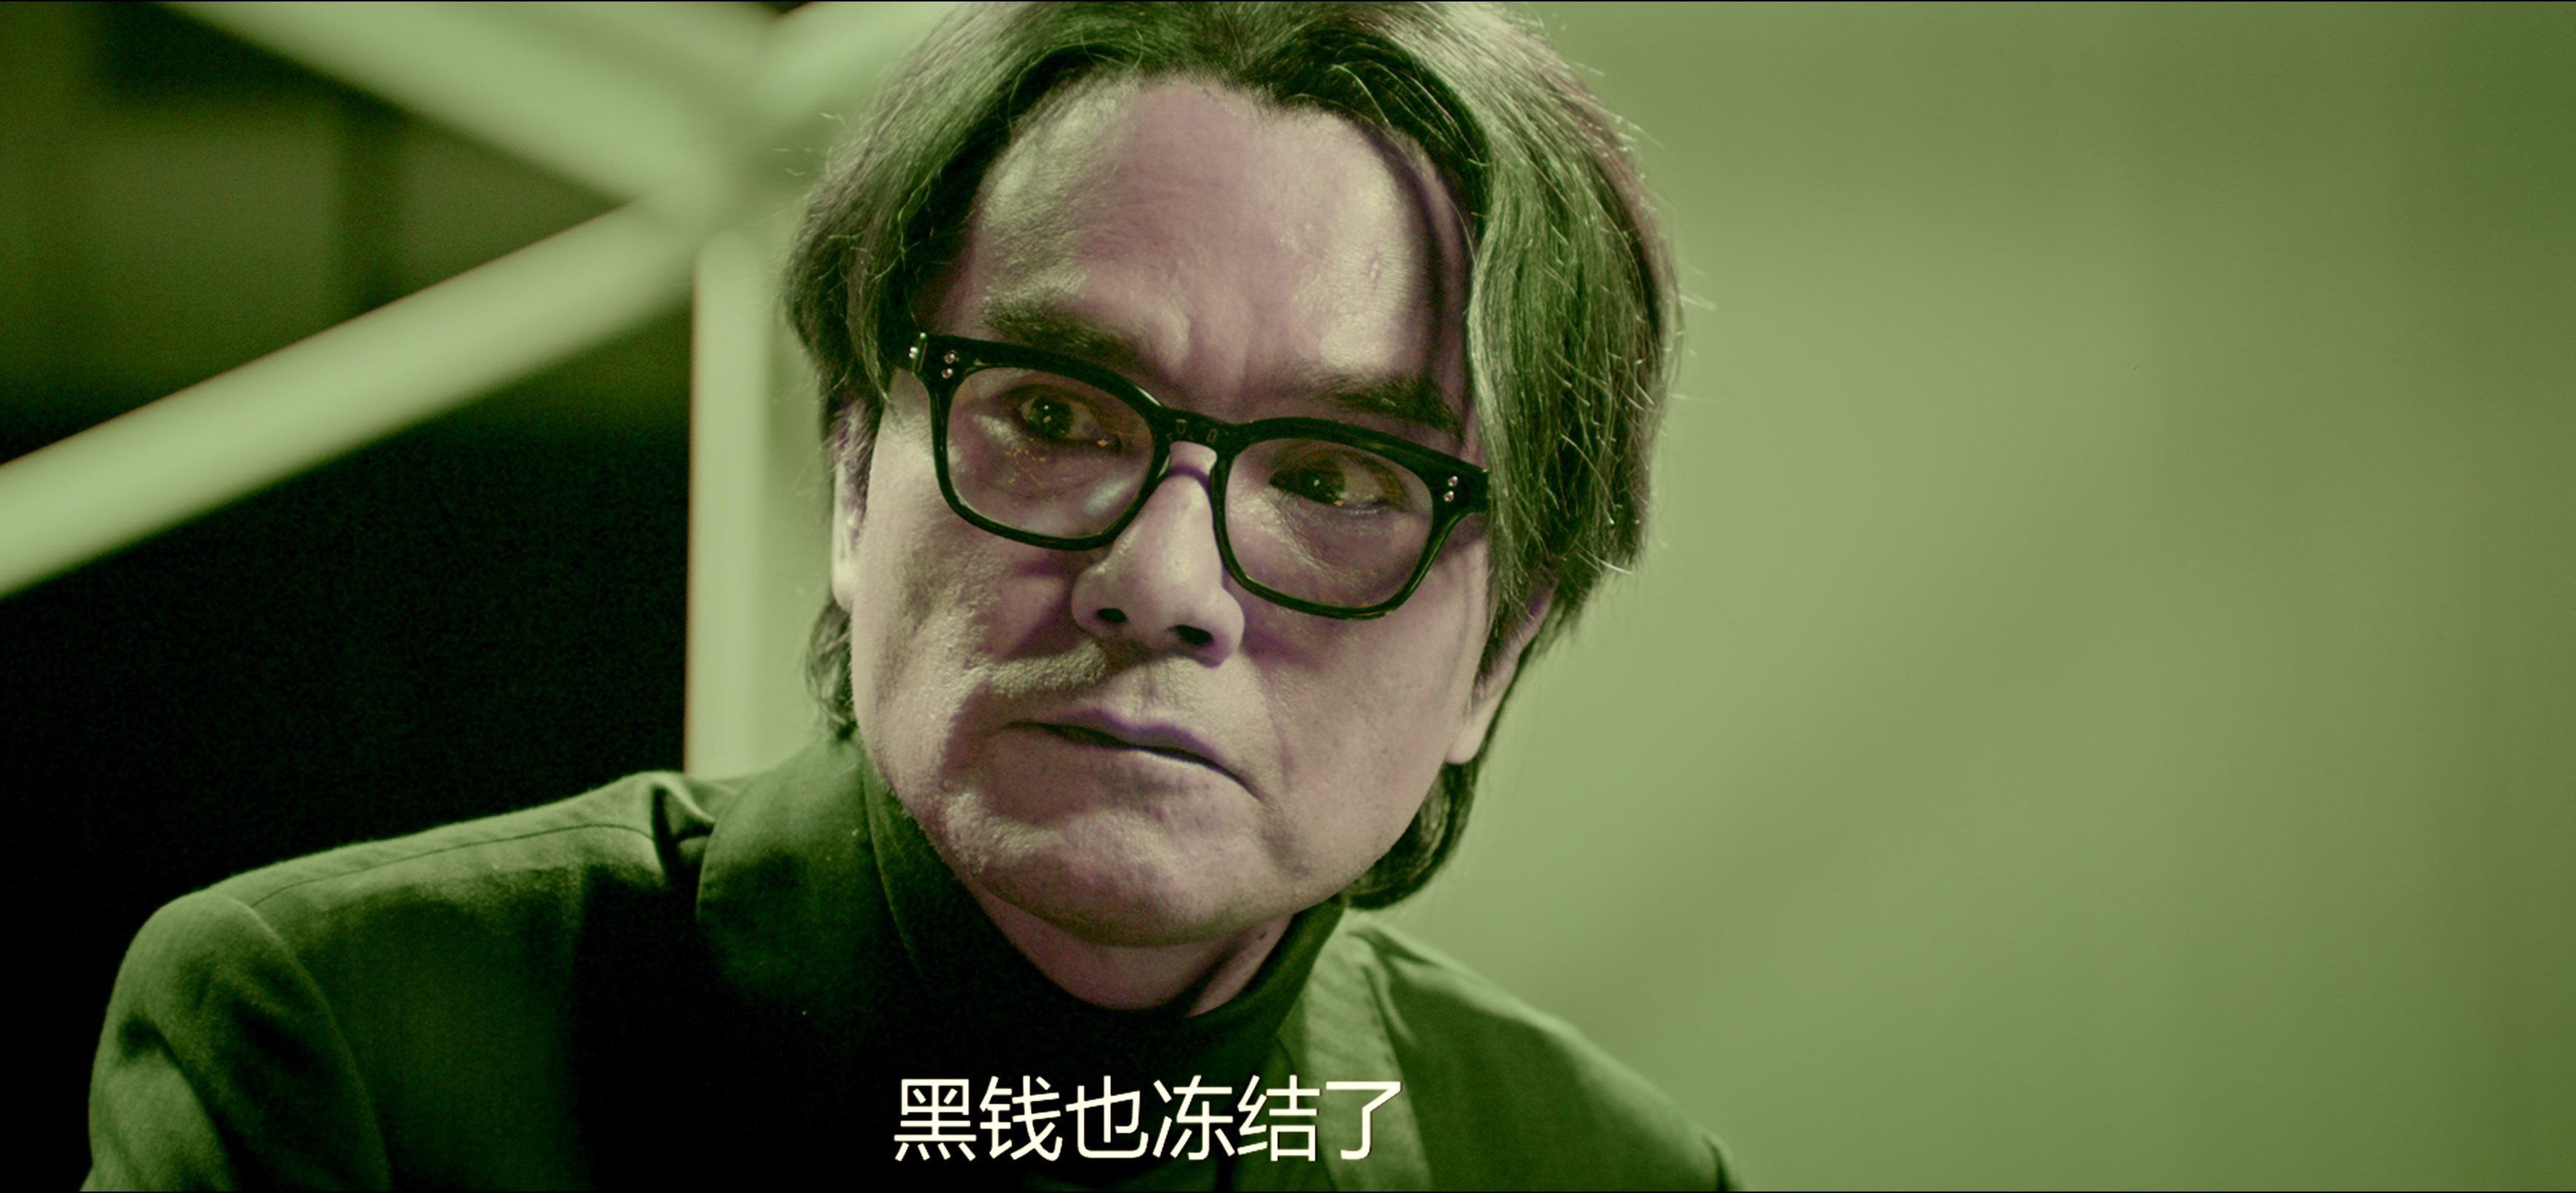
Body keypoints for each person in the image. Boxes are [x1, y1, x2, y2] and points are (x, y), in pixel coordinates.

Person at [85, 3, 1730, 1187]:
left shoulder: (1594, 1168)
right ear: (858, 480)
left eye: (1334, 482)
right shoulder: (353, 1041)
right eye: (1055, 417)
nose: (1161, 582)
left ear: (1497, 656)